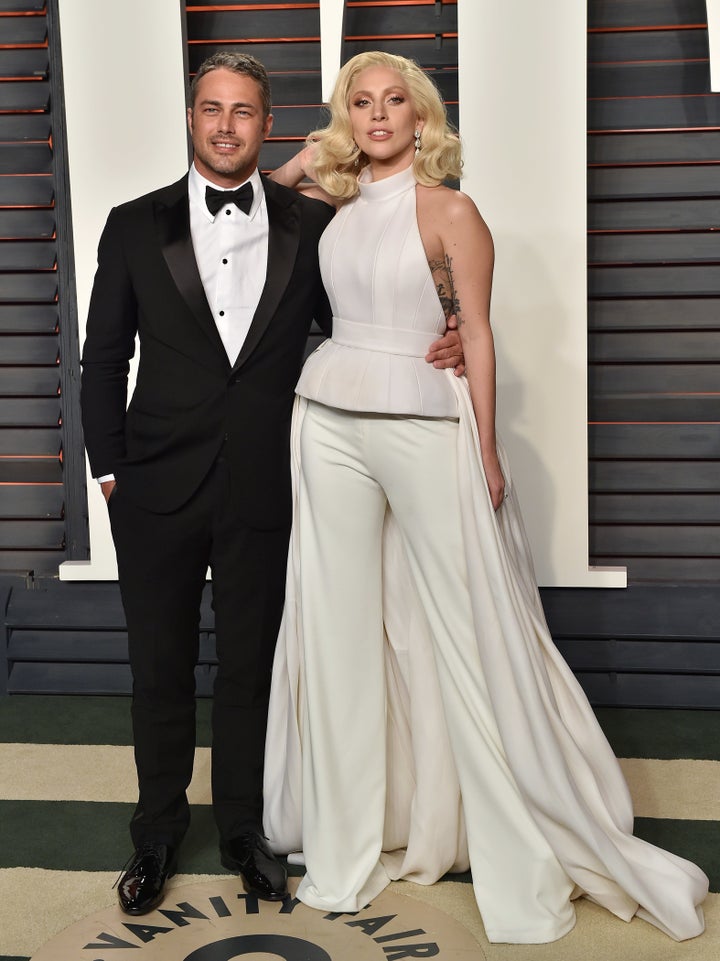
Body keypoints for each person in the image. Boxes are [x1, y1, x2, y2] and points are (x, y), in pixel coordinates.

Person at [262, 51, 709, 944]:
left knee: (470, 637)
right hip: (326, 420)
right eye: (362, 102)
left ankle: (516, 853)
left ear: (422, 119)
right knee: (337, 635)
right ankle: (344, 854)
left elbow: (479, 331)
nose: (380, 115)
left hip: (425, 422)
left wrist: (490, 448)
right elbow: (250, 211)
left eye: (396, 102)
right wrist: (309, 158)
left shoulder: (455, 211)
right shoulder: (332, 203)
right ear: (345, 116)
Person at [79, 51, 462, 917]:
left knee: (251, 671)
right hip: (153, 489)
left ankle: (246, 832)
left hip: (265, 483)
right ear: (191, 118)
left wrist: (451, 327)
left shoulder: (310, 224)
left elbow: (365, 310)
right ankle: (156, 832)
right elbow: (104, 358)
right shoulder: (133, 224)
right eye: (211, 109)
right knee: (159, 670)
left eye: (243, 112)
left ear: (267, 123)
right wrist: (109, 473)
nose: (225, 126)